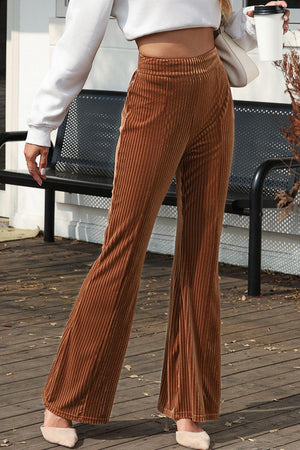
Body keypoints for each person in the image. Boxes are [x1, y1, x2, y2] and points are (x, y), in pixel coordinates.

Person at [24, 1, 289, 448]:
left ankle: (190, 409)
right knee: (123, 247)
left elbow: (226, 27)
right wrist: (41, 125)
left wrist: (258, 19)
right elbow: (78, 42)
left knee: (202, 249)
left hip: (212, 88)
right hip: (156, 87)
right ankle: (64, 403)